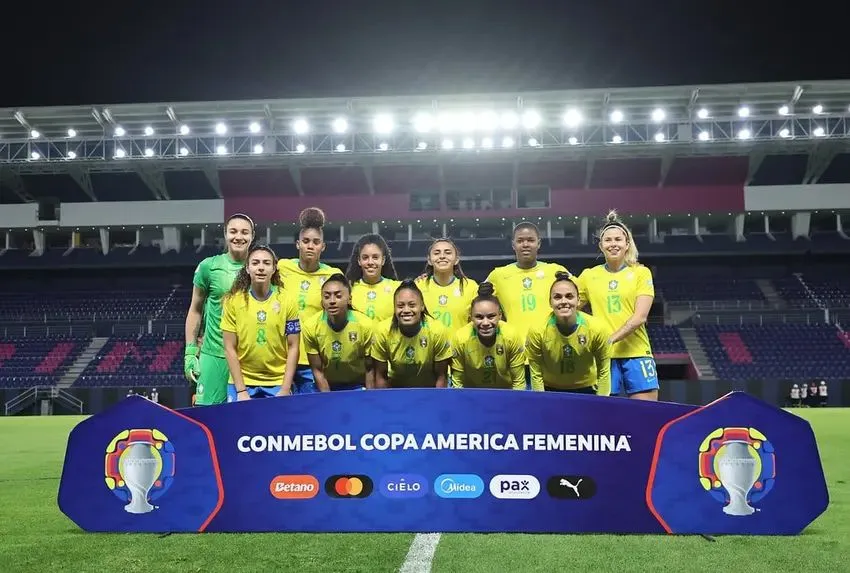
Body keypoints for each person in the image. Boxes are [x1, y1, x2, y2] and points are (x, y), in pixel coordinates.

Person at [575, 210, 658, 400]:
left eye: (618, 240)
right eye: (608, 240)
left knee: (646, 417)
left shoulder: (640, 273)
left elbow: (640, 317)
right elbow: (569, 307)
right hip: (603, 358)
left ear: (627, 244)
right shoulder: (588, 275)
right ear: (601, 245)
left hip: (637, 353)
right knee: (602, 421)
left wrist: (609, 339)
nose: (613, 244)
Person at [485, 222, 570, 388]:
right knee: (519, 408)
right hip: (514, 355)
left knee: (549, 408)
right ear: (513, 244)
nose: (525, 244)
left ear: (538, 243)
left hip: (550, 354)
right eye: (520, 240)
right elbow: (476, 304)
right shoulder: (498, 275)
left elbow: (578, 299)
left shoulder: (555, 271)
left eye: (530, 240)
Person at [184, 213, 255, 405]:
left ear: (252, 236)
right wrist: (190, 351)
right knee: (206, 417)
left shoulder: (260, 267)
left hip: (248, 357)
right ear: (225, 234)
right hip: (214, 354)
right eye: (233, 231)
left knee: (245, 421)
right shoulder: (209, 267)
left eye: (244, 232)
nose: (238, 237)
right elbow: (195, 309)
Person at [221, 244, 301, 400]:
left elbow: (294, 346)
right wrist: (241, 391)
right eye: (255, 263)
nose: (261, 268)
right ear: (247, 268)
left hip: (277, 382)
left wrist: (285, 388)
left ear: (274, 268)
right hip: (242, 383)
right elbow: (229, 347)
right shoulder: (233, 301)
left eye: (266, 263)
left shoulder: (287, 300)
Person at [277, 207, 343, 394]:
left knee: (310, 414)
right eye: (306, 241)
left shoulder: (333, 275)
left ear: (323, 246)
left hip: (314, 360)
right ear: (298, 244)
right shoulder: (282, 267)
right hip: (282, 358)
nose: (310, 246)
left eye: (316, 242)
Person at [525, 272, 612, 395]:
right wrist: (542, 402)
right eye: (557, 297)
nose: (563, 301)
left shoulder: (597, 328)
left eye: (569, 296)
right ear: (550, 302)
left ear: (578, 300)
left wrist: (602, 404)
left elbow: (604, 371)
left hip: (587, 388)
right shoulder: (537, 330)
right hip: (551, 389)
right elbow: (536, 373)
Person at [371, 279, 453, 388]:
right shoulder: (382, 331)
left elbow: (441, 376)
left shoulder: (437, 331)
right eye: (400, 306)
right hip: (398, 390)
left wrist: (437, 402)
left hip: (429, 390)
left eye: (412, 305)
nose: (406, 310)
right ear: (394, 308)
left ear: (422, 306)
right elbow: (381, 375)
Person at [302, 274, 376, 391]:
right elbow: (317, 370)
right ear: (322, 301)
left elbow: (370, 369)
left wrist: (368, 399)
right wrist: (329, 399)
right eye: (327, 297)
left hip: (357, 384)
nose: (332, 301)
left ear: (349, 299)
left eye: (338, 296)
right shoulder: (310, 326)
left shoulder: (365, 325)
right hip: (327, 384)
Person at [450, 282, 525, 389]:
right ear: (471, 317)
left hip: (504, 394)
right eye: (479, 317)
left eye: (491, 316)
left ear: (500, 315)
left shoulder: (511, 335)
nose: (485, 323)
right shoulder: (461, 338)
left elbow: (518, 381)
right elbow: (458, 382)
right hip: (472, 396)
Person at [416, 237, 478, 338]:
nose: (442, 256)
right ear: (429, 260)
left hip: (459, 351)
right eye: (436, 253)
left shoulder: (470, 287)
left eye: (448, 252)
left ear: (456, 259)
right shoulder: (418, 286)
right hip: (428, 350)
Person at [345, 234, 400, 322]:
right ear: (359, 261)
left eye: (375, 257)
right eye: (365, 257)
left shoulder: (397, 288)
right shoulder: (349, 288)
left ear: (383, 260)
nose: (370, 262)